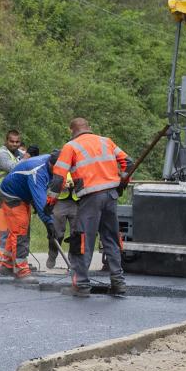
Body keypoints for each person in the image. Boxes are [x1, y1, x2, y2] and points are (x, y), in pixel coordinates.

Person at [46, 118, 130, 296]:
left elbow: (59, 177)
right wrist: (122, 182)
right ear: (89, 128)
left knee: (82, 240)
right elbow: (128, 163)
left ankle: (82, 285)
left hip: (91, 198)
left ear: (72, 131)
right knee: (111, 239)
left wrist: (51, 201)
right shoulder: (106, 141)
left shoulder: (71, 146)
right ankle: (118, 283)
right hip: (111, 196)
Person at [0, 150, 59, 277]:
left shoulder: (51, 161)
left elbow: (43, 196)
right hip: (12, 195)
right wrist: (49, 223)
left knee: (17, 229)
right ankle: (21, 270)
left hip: (23, 194)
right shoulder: (38, 171)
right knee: (21, 231)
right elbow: (42, 204)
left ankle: (7, 264)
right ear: (53, 165)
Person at [0, 130, 28, 276]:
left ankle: (8, 259)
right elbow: (14, 168)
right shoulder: (1, 154)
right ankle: (1, 259)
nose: (14, 144)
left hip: (12, 198)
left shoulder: (17, 153)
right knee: (4, 231)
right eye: (12, 141)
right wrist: (26, 158)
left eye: (17, 142)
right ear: (6, 140)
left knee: (12, 231)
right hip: (1, 198)